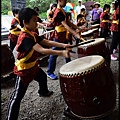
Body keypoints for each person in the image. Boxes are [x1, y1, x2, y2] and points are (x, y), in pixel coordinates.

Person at [6, 7, 72, 120]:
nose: (37, 23)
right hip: (23, 70)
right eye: (34, 21)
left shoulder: (31, 33)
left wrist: (64, 45)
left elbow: (46, 41)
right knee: (17, 97)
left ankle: (43, 92)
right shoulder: (25, 37)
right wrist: (61, 53)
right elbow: (42, 50)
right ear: (25, 22)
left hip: (33, 66)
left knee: (42, 77)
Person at [46, 0, 85, 80]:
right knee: (54, 54)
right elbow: (66, 25)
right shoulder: (58, 12)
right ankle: (49, 72)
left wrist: (78, 28)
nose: (66, 2)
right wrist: (75, 33)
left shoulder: (62, 10)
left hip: (63, 35)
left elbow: (69, 23)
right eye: (65, 0)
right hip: (58, 36)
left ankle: (70, 66)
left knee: (67, 50)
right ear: (59, 0)